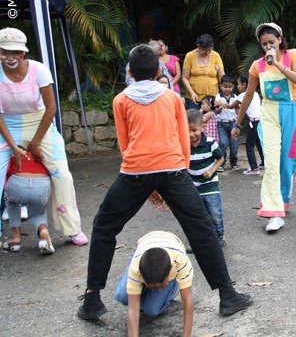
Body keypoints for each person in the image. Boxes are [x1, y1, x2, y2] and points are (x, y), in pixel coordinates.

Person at [77, 44, 252, 321]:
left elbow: (125, 146)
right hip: (173, 169)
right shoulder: (172, 98)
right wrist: (175, 177)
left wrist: (148, 188)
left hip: (135, 171)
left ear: (131, 72)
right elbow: (184, 141)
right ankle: (227, 295)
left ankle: (92, 299)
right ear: (159, 70)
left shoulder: (121, 100)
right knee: (201, 229)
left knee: (103, 227)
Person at [0, 27, 88, 245]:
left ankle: (71, 229)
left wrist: (35, 143)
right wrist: (12, 145)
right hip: (7, 126)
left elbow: (51, 108)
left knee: (62, 176)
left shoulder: (39, 70)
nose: (10, 57)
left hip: (40, 124)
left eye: (15, 52)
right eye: (5, 52)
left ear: (23, 53)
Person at [230, 23, 296, 233]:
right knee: (271, 162)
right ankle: (274, 212)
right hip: (269, 112)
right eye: (264, 44)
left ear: (280, 39)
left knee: (287, 162)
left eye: (271, 42)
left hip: (292, 109)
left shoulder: (292, 55)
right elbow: (248, 96)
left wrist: (279, 64)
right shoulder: (257, 66)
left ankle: (283, 199)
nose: (268, 47)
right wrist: (238, 123)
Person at [114, 231, 193, 337]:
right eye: (152, 286)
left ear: (169, 271)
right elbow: (132, 309)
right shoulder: (136, 268)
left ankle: (173, 286)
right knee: (122, 295)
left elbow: (187, 302)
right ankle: (140, 288)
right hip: (142, 247)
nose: (158, 288)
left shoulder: (181, 262)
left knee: (151, 310)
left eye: (161, 286)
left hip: (173, 245)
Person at [1, 147, 55, 254]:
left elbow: (6, 174)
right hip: (41, 185)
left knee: (10, 200)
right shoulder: (42, 154)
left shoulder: (14, 155)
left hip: (17, 184)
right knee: (38, 213)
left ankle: (16, 237)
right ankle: (43, 231)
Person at [187, 109, 226, 247]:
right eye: (187, 131)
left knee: (215, 213)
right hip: (193, 187)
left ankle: (219, 236)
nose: (191, 135)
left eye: (194, 130)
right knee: (196, 216)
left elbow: (220, 158)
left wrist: (211, 170)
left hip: (210, 185)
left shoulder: (210, 143)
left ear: (203, 127)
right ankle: (198, 241)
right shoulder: (183, 145)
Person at [181, 33, 225, 110]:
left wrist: (224, 93)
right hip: (193, 96)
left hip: (212, 96)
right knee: (194, 119)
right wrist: (192, 93)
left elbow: (222, 77)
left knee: (211, 120)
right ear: (198, 47)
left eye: (209, 50)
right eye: (204, 51)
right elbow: (184, 77)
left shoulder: (216, 55)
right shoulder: (190, 55)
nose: (207, 53)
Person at [236, 75, 264, 175]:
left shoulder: (243, 95)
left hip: (253, 122)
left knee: (249, 145)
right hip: (261, 121)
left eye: (238, 84)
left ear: (244, 85)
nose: (237, 87)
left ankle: (254, 168)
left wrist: (221, 104)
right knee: (258, 142)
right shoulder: (255, 93)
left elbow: (232, 105)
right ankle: (264, 162)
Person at [215, 75, 240, 171]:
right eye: (225, 86)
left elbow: (238, 110)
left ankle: (233, 162)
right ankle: (221, 163)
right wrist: (220, 107)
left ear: (233, 86)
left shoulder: (235, 97)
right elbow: (216, 111)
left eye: (230, 87)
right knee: (223, 143)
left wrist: (239, 122)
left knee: (234, 144)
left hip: (233, 123)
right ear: (221, 86)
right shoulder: (218, 97)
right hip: (221, 123)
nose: (227, 89)